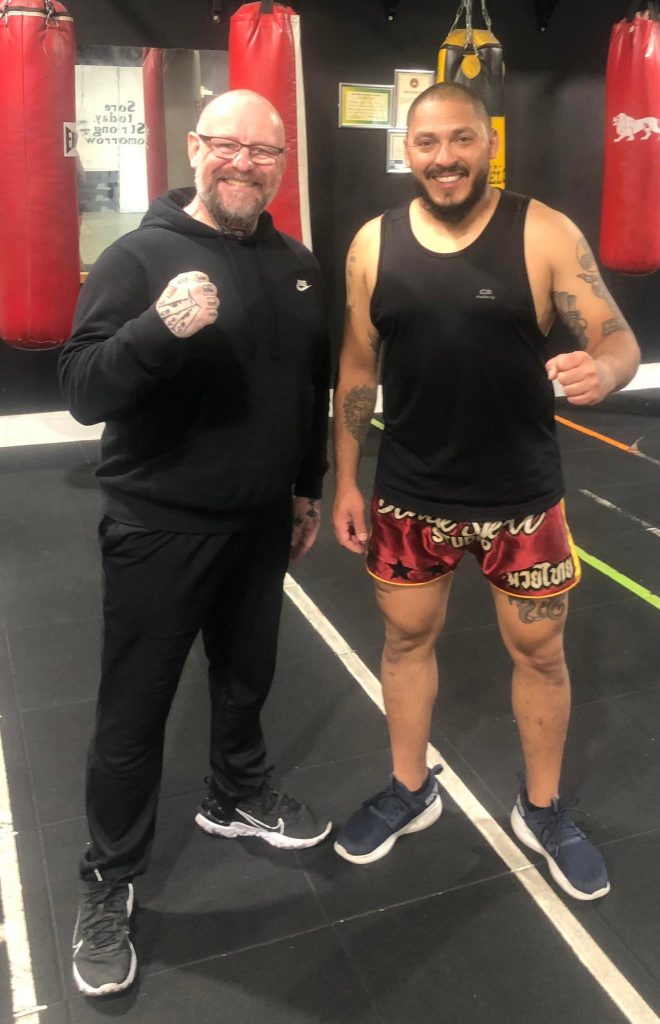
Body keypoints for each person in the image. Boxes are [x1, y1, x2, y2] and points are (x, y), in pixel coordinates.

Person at [332, 82, 640, 899]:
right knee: (404, 645)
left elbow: (618, 339)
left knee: (540, 653)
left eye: (461, 140)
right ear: (408, 148)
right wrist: (344, 481)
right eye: (427, 143)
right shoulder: (373, 244)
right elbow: (358, 368)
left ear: (488, 142)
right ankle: (410, 790)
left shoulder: (543, 232)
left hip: (522, 499)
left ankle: (541, 809)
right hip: (409, 495)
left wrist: (603, 370)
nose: (444, 159)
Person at [59, 89, 331, 998]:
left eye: (264, 153)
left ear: (282, 164)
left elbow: (307, 392)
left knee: (247, 678)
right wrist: (156, 328)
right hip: (159, 527)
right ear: (194, 148)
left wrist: (305, 490)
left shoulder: (297, 265)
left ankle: (235, 797)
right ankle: (107, 883)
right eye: (227, 146)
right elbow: (84, 389)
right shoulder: (138, 257)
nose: (244, 164)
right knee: (134, 716)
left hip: (258, 526)